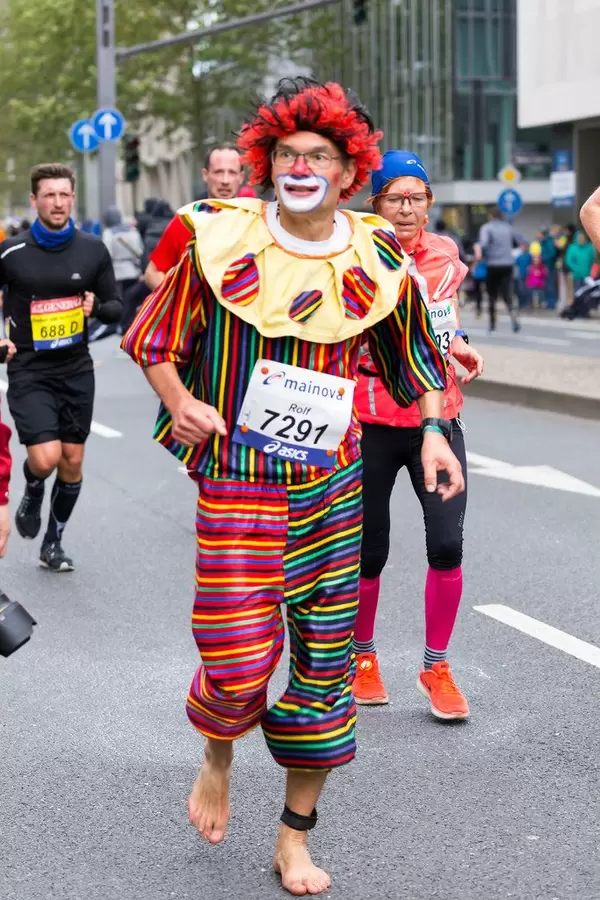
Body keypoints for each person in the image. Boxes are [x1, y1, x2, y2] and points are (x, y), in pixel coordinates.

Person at [122, 78, 464, 896]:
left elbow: (417, 355)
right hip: (240, 476)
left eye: (319, 155)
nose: (301, 166)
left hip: (331, 484)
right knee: (238, 663)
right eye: (287, 154)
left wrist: (430, 434)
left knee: (321, 668)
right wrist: (182, 400)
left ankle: (293, 837)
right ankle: (218, 751)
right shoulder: (221, 237)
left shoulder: (375, 255)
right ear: (265, 162)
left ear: (350, 171)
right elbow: (153, 337)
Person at [352, 150, 483, 716]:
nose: (407, 209)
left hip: (437, 417)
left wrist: (456, 346)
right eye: (395, 198)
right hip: (371, 418)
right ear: (374, 203)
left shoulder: (445, 255)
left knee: (448, 542)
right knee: (368, 550)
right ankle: (362, 656)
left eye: (417, 198)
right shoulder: (354, 256)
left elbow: (440, 320)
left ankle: (436, 666)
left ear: (429, 203)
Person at [0, 163, 122, 572]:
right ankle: (33, 486)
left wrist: (95, 307)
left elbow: (115, 305)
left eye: (63, 194)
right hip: (29, 368)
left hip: (75, 368)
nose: (57, 202)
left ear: (73, 197)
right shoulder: (11, 252)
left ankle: (53, 542)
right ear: (34, 200)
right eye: (48, 195)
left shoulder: (92, 250)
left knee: (72, 461)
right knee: (47, 457)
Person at [144, 143, 245, 291]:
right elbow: (152, 273)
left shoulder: (256, 222)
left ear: (241, 177)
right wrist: (180, 305)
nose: (225, 180)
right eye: (218, 172)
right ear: (205, 175)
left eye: (232, 172)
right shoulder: (187, 221)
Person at [95, 206, 144, 341]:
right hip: (133, 270)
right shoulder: (132, 231)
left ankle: (121, 325)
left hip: (117, 271)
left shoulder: (109, 233)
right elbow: (139, 250)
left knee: (120, 300)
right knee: (132, 300)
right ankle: (130, 324)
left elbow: (106, 253)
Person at [475, 207, 520, 333]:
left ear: (491, 216)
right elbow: (516, 243)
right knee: (507, 294)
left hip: (493, 264)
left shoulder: (487, 228)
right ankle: (513, 317)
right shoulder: (508, 228)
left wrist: (478, 250)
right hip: (507, 265)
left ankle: (492, 324)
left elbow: (483, 244)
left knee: (492, 296)